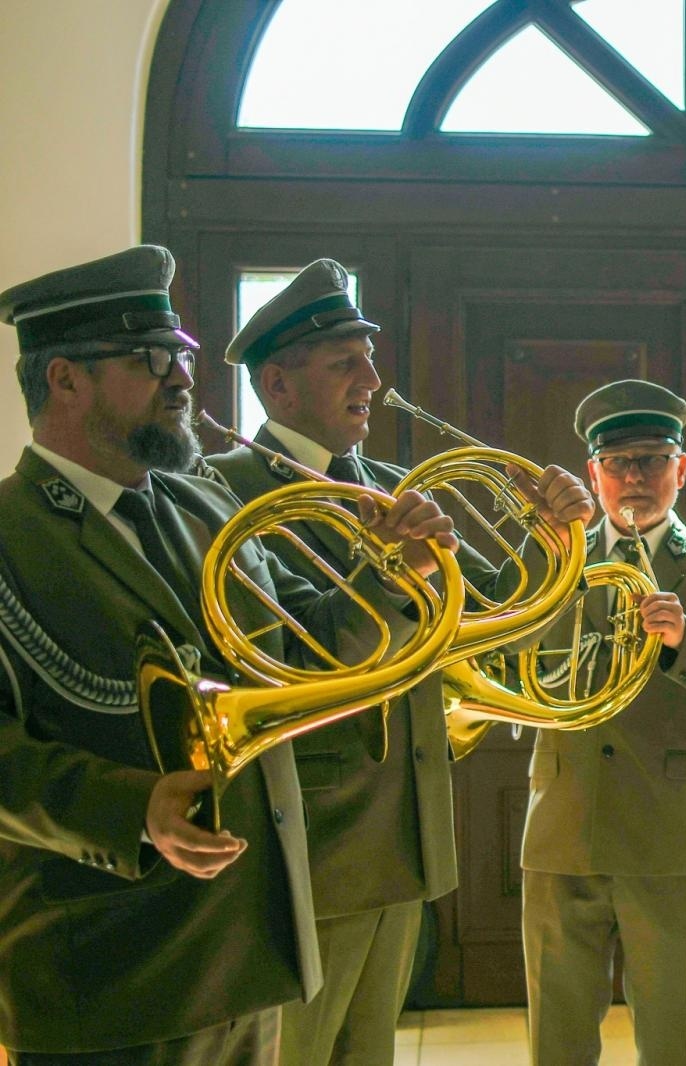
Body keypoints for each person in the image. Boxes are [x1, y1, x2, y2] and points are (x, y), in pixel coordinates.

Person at [0, 246, 457, 1063]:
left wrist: (393, 574)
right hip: (108, 973)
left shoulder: (203, 502)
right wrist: (131, 809)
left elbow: (310, 649)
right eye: (149, 359)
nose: (182, 378)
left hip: (249, 951)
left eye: (181, 355)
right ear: (65, 379)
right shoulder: (11, 534)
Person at [206, 258, 594, 1066]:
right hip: (312, 841)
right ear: (278, 386)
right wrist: (391, 572)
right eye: (344, 362)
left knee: (368, 1053)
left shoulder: (392, 486)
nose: (373, 381)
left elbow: (498, 624)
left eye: (370, 358)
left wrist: (552, 538)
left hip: (403, 835)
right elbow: (294, 661)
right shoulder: (222, 493)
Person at [519, 379, 686, 1065]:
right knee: (557, 1037)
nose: (634, 476)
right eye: (617, 462)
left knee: (666, 1037)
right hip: (563, 825)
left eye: (652, 460)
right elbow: (503, 657)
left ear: (680, 469)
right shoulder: (551, 556)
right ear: (593, 472)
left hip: (668, 837)